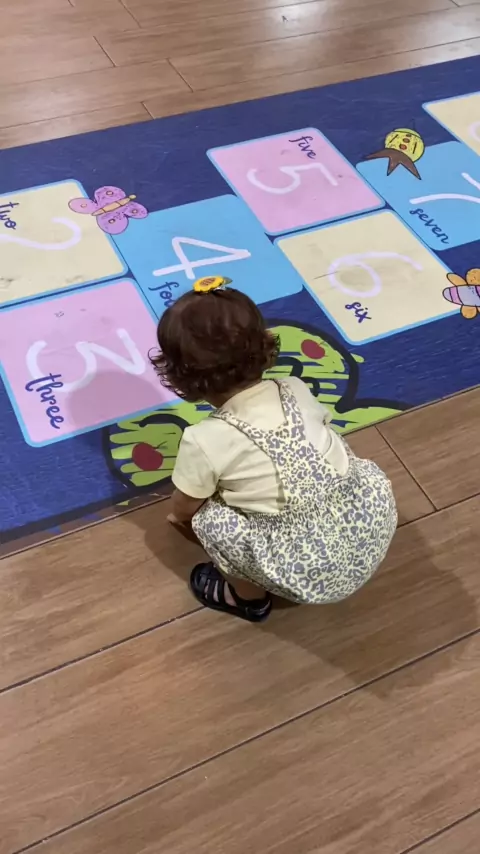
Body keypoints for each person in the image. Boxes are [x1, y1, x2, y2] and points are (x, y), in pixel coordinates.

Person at [150, 276, 397, 623]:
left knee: (209, 520)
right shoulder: (294, 387)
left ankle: (248, 599)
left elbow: (186, 505)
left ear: (179, 379)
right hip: (368, 529)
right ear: (265, 344)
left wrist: (178, 519)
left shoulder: (204, 438)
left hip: (302, 570)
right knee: (331, 440)